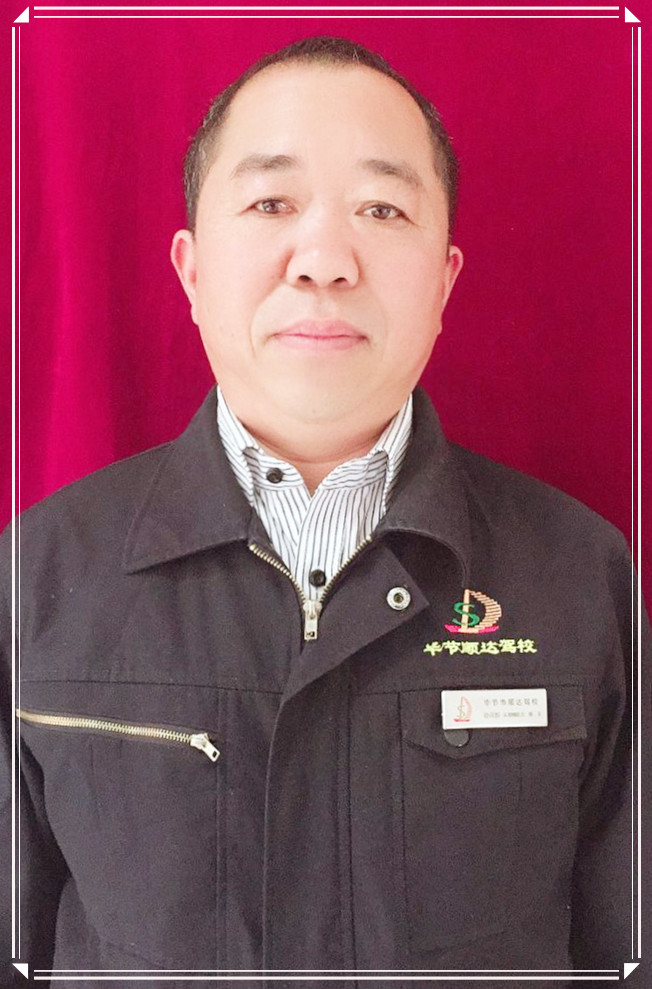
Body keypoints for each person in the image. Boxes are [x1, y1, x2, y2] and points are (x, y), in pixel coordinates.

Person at [0, 34, 645, 986]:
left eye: (383, 209)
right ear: (191, 270)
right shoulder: (40, 573)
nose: (325, 260)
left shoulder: (581, 574)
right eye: (271, 203)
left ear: (445, 280)